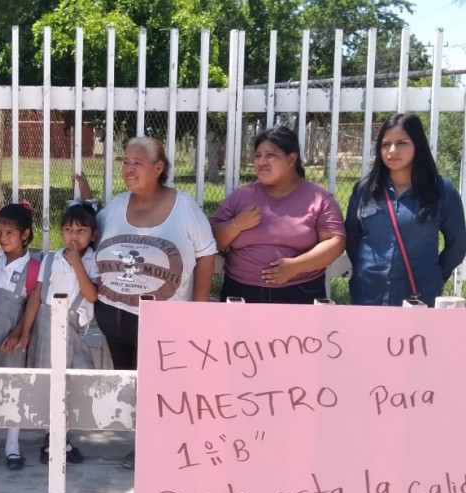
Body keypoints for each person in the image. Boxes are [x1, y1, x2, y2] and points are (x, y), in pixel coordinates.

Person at [94, 137, 217, 469]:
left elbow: (207, 255)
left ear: (158, 168)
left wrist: (200, 306)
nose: (129, 168)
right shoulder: (117, 205)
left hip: (163, 318)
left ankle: (160, 449)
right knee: (131, 383)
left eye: (137, 162)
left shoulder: (184, 207)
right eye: (125, 161)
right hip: (115, 315)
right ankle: (142, 444)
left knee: (159, 387)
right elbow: (91, 237)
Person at [3, 200, 101, 464]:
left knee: (80, 380)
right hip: (47, 325)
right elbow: (37, 296)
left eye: (81, 231)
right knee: (53, 384)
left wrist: (78, 264)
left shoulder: (93, 261)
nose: (74, 236)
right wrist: (25, 332)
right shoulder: (50, 260)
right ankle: (54, 441)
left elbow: (91, 295)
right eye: (68, 229)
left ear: (92, 234)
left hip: (72, 328)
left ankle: (61, 436)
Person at [211, 126, 345, 304]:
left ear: (291, 159)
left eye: (270, 155)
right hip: (241, 293)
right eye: (258, 156)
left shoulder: (319, 199)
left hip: (300, 292)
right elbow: (211, 240)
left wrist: (297, 266)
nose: (261, 162)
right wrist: (236, 225)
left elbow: (336, 242)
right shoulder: (240, 197)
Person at [345, 113, 466, 307]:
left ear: (417, 145)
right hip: (368, 295)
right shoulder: (365, 189)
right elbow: (352, 240)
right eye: (385, 144)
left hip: (419, 297)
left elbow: (457, 246)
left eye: (402, 143)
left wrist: (431, 276)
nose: (392, 151)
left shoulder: (441, 190)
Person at [0, 203, 40, 470]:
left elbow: (33, 303)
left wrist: (21, 332)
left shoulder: (33, 268)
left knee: (12, 388)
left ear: (25, 234)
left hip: (14, 338)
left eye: (9, 232)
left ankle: (13, 445)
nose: (3, 237)